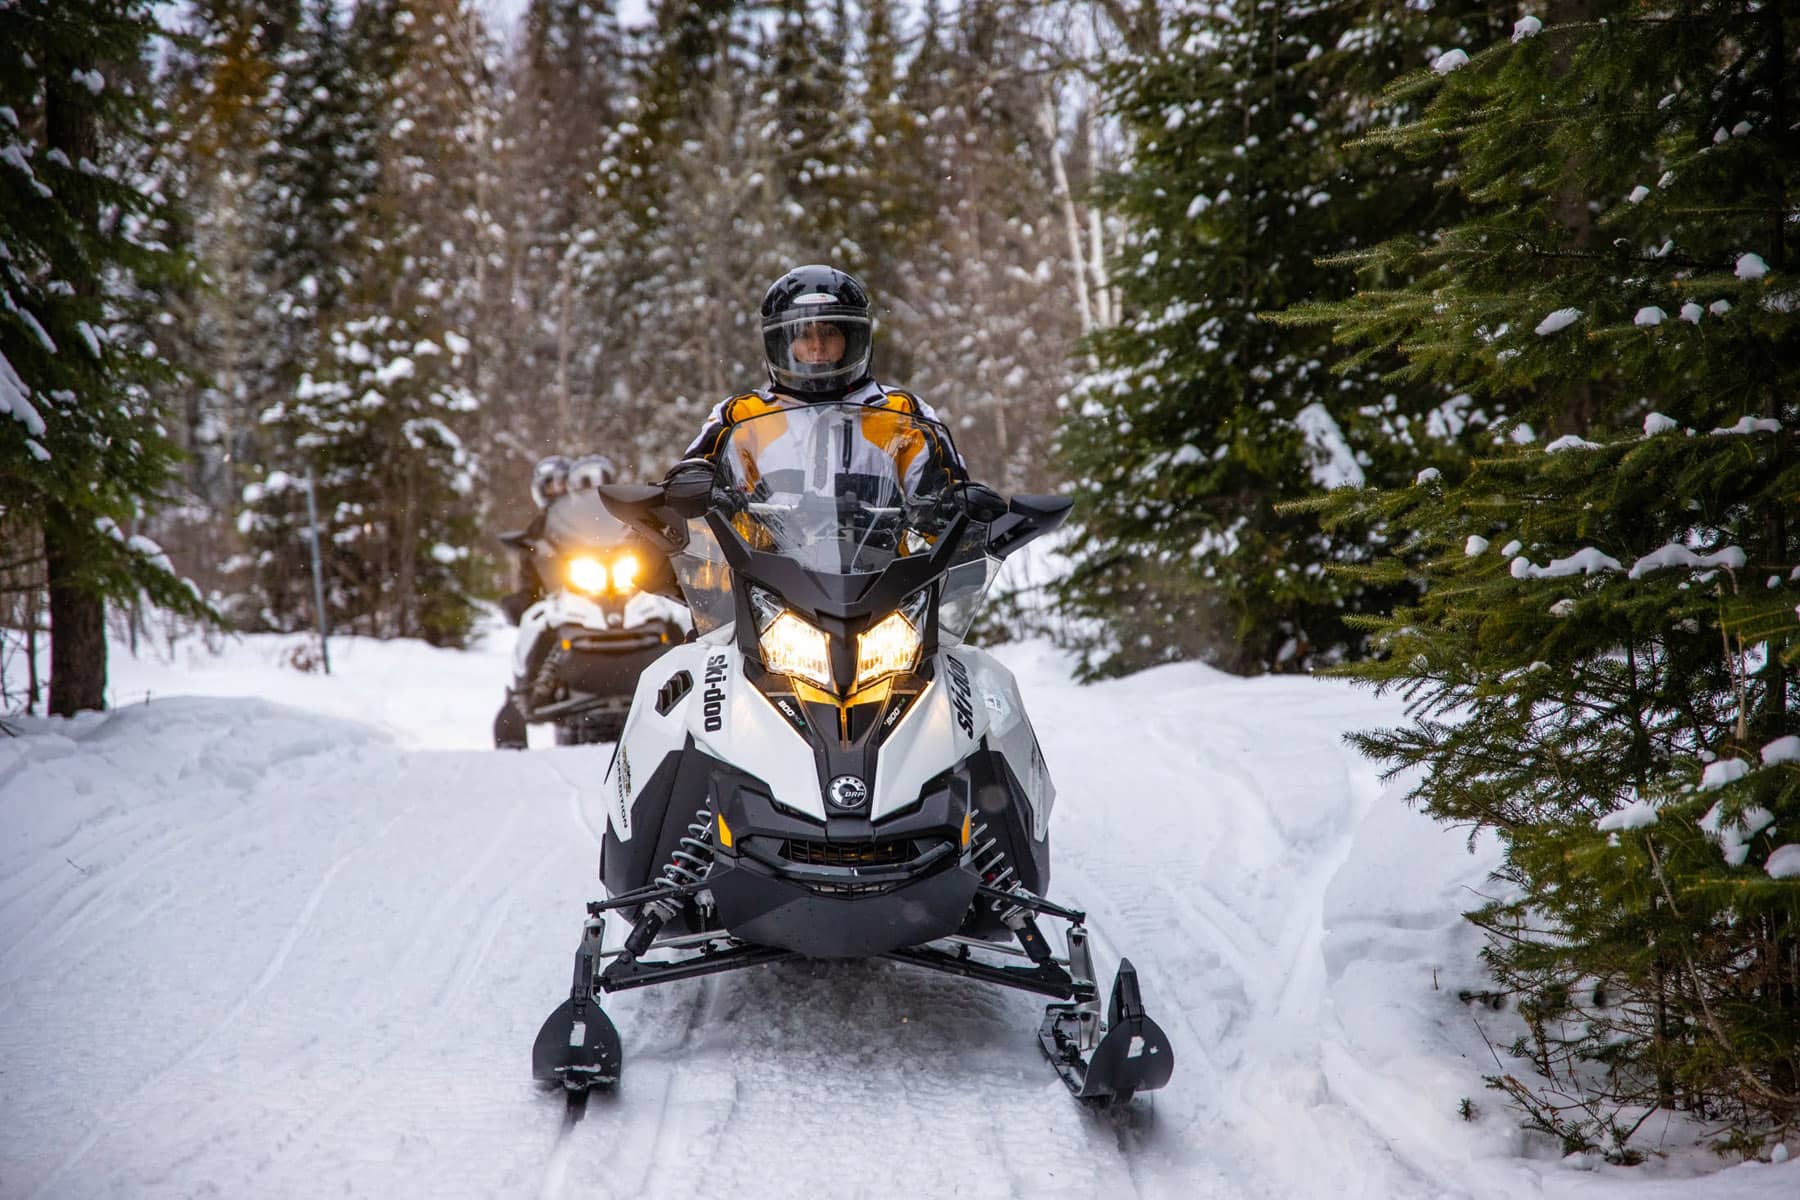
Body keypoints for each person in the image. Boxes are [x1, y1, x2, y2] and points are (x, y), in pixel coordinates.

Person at [661, 265, 1007, 521]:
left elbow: (944, 484)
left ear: (853, 339)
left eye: (829, 332)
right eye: (804, 335)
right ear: (783, 344)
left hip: (886, 581)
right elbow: (696, 466)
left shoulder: (900, 411)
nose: (817, 348)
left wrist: (957, 503)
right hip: (763, 579)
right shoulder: (744, 414)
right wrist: (695, 485)